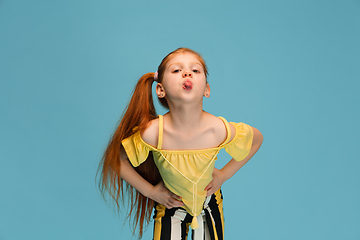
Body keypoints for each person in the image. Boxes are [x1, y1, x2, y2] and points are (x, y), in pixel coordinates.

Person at [98, 48, 263, 240]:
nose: (187, 73)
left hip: (209, 204)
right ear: (160, 90)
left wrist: (224, 175)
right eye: (176, 70)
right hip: (170, 207)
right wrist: (151, 192)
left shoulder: (218, 129)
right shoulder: (153, 133)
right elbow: (116, 160)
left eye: (195, 70)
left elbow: (256, 140)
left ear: (206, 89)